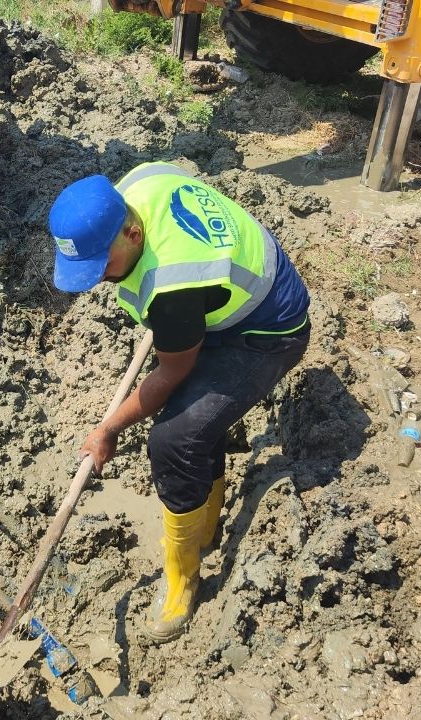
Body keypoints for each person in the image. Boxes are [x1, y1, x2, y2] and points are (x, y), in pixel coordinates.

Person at [48, 162, 311, 643]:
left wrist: (108, 428)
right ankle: (206, 525)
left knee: (174, 438)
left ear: (130, 231)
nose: (99, 281)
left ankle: (182, 576)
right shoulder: (139, 182)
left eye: (102, 267)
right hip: (227, 298)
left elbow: (172, 372)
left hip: (267, 331)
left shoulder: (172, 289)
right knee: (193, 427)